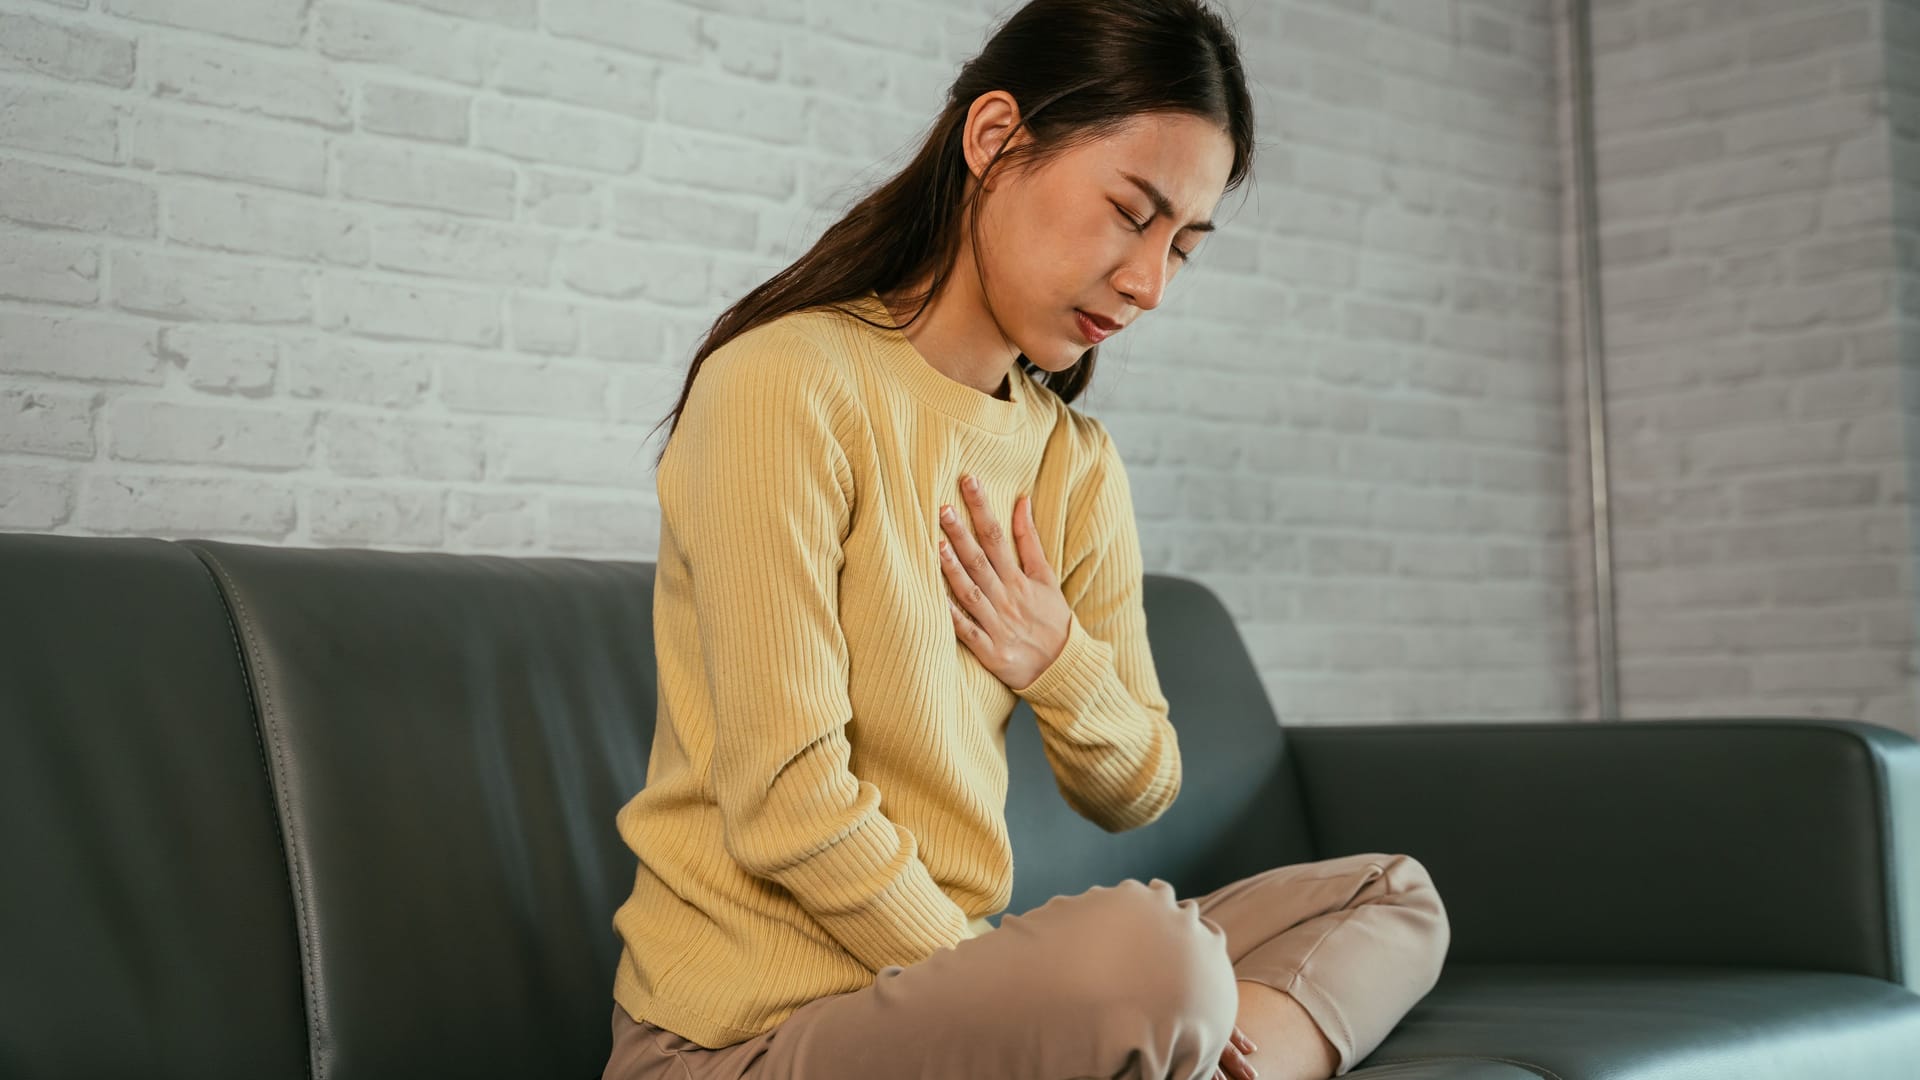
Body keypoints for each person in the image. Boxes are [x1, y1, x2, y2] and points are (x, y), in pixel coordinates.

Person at [602, 1, 1451, 1077]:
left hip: (947, 997)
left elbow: (1138, 780)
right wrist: (999, 987)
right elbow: (788, 804)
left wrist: (1056, 661)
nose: (1149, 284)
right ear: (996, 140)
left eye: (1183, 246)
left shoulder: (1072, 463)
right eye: (1130, 214)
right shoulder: (788, 384)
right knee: (1156, 965)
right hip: (744, 1042)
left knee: (1392, 899)